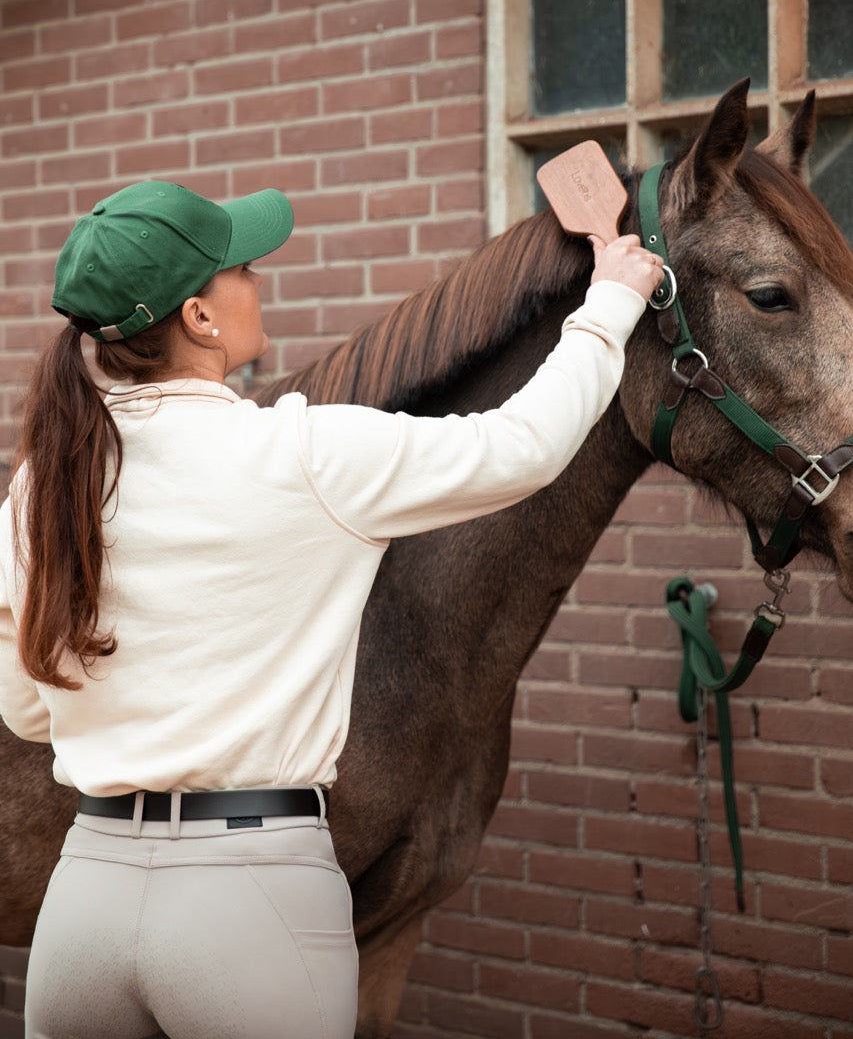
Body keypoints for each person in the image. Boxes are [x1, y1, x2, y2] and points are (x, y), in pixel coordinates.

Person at [0, 178, 663, 1039]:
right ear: (199, 319)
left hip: (82, 902)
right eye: (242, 267)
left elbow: (25, 705)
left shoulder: (38, 490)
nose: (257, 280)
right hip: (250, 900)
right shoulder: (302, 451)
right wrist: (608, 304)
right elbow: (523, 446)